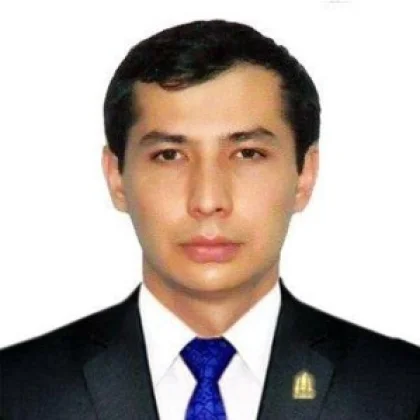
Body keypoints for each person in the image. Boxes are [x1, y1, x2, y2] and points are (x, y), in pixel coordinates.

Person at [1, 19, 419, 420]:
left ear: (304, 176)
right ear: (116, 178)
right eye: (170, 155)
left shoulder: (401, 389)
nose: (207, 200)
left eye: (248, 154)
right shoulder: (17, 390)